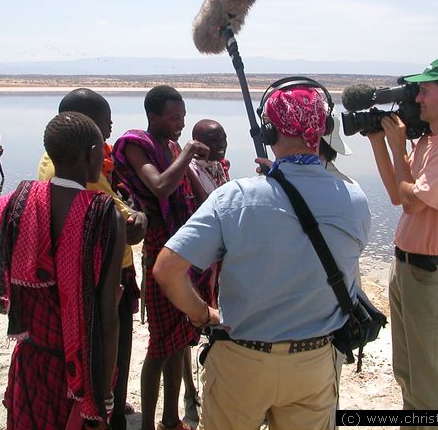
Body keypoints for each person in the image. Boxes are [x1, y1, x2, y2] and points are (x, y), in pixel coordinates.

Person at [153, 83, 371, 430]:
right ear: (324, 129)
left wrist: (203, 314)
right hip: (314, 362)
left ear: (268, 131)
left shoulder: (235, 197)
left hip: (241, 361)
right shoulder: (355, 198)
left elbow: (167, 269)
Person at [0, 112, 126, 429]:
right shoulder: (104, 213)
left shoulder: (13, 203)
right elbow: (107, 315)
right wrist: (103, 398)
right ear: (91, 154)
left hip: (31, 364)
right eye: (101, 152)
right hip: (81, 368)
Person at [367, 56, 438, 427]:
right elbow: (397, 194)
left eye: (425, 90)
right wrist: (378, 143)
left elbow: (414, 202)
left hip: (431, 276)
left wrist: (399, 145)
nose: (417, 98)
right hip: (408, 269)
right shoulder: (433, 142)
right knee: (409, 377)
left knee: (430, 389)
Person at [37, 88, 147, 430]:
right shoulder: (79, 169)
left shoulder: (62, 160)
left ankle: (106, 401)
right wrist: (136, 217)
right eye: (104, 128)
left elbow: (117, 196)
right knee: (110, 345)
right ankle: (106, 408)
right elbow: (117, 215)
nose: (110, 133)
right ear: (89, 144)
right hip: (103, 272)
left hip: (93, 271)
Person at [111, 85, 209, 430]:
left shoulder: (169, 146)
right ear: (153, 116)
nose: (181, 124)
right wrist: (188, 153)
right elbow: (161, 186)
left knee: (179, 340)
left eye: (183, 117)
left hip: (182, 251)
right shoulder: (136, 145)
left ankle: (171, 418)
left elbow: (187, 193)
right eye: (174, 117)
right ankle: (150, 424)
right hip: (159, 254)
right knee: (158, 346)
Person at [181, 118, 230, 424]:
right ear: (197, 143)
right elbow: (208, 204)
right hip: (197, 261)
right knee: (191, 324)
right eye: (213, 141)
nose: (221, 146)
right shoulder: (189, 170)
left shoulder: (220, 167)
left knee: (215, 319)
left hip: (220, 259)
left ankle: (211, 380)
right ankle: (189, 389)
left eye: (223, 138)